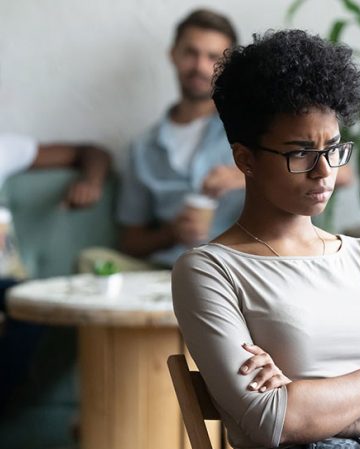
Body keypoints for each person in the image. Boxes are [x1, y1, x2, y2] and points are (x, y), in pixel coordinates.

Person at [172, 30, 360, 449]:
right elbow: (271, 421)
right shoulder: (211, 270)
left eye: (333, 148)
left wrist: (306, 405)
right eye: (300, 153)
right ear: (245, 159)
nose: (323, 171)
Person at [114, 9, 245, 269]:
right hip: (169, 272)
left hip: (238, 267)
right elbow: (130, 241)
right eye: (190, 53)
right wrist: (172, 232)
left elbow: (334, 171)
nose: (200, 66)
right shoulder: (142, 148)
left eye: (213, 57)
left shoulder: (250, 127)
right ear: (173, 54)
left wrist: (245, 175)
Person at [0, 132, 111, 412]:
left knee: (31, 309)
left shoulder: (6, 148)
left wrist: (91, 181)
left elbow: (91, 150)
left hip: (6, 283)